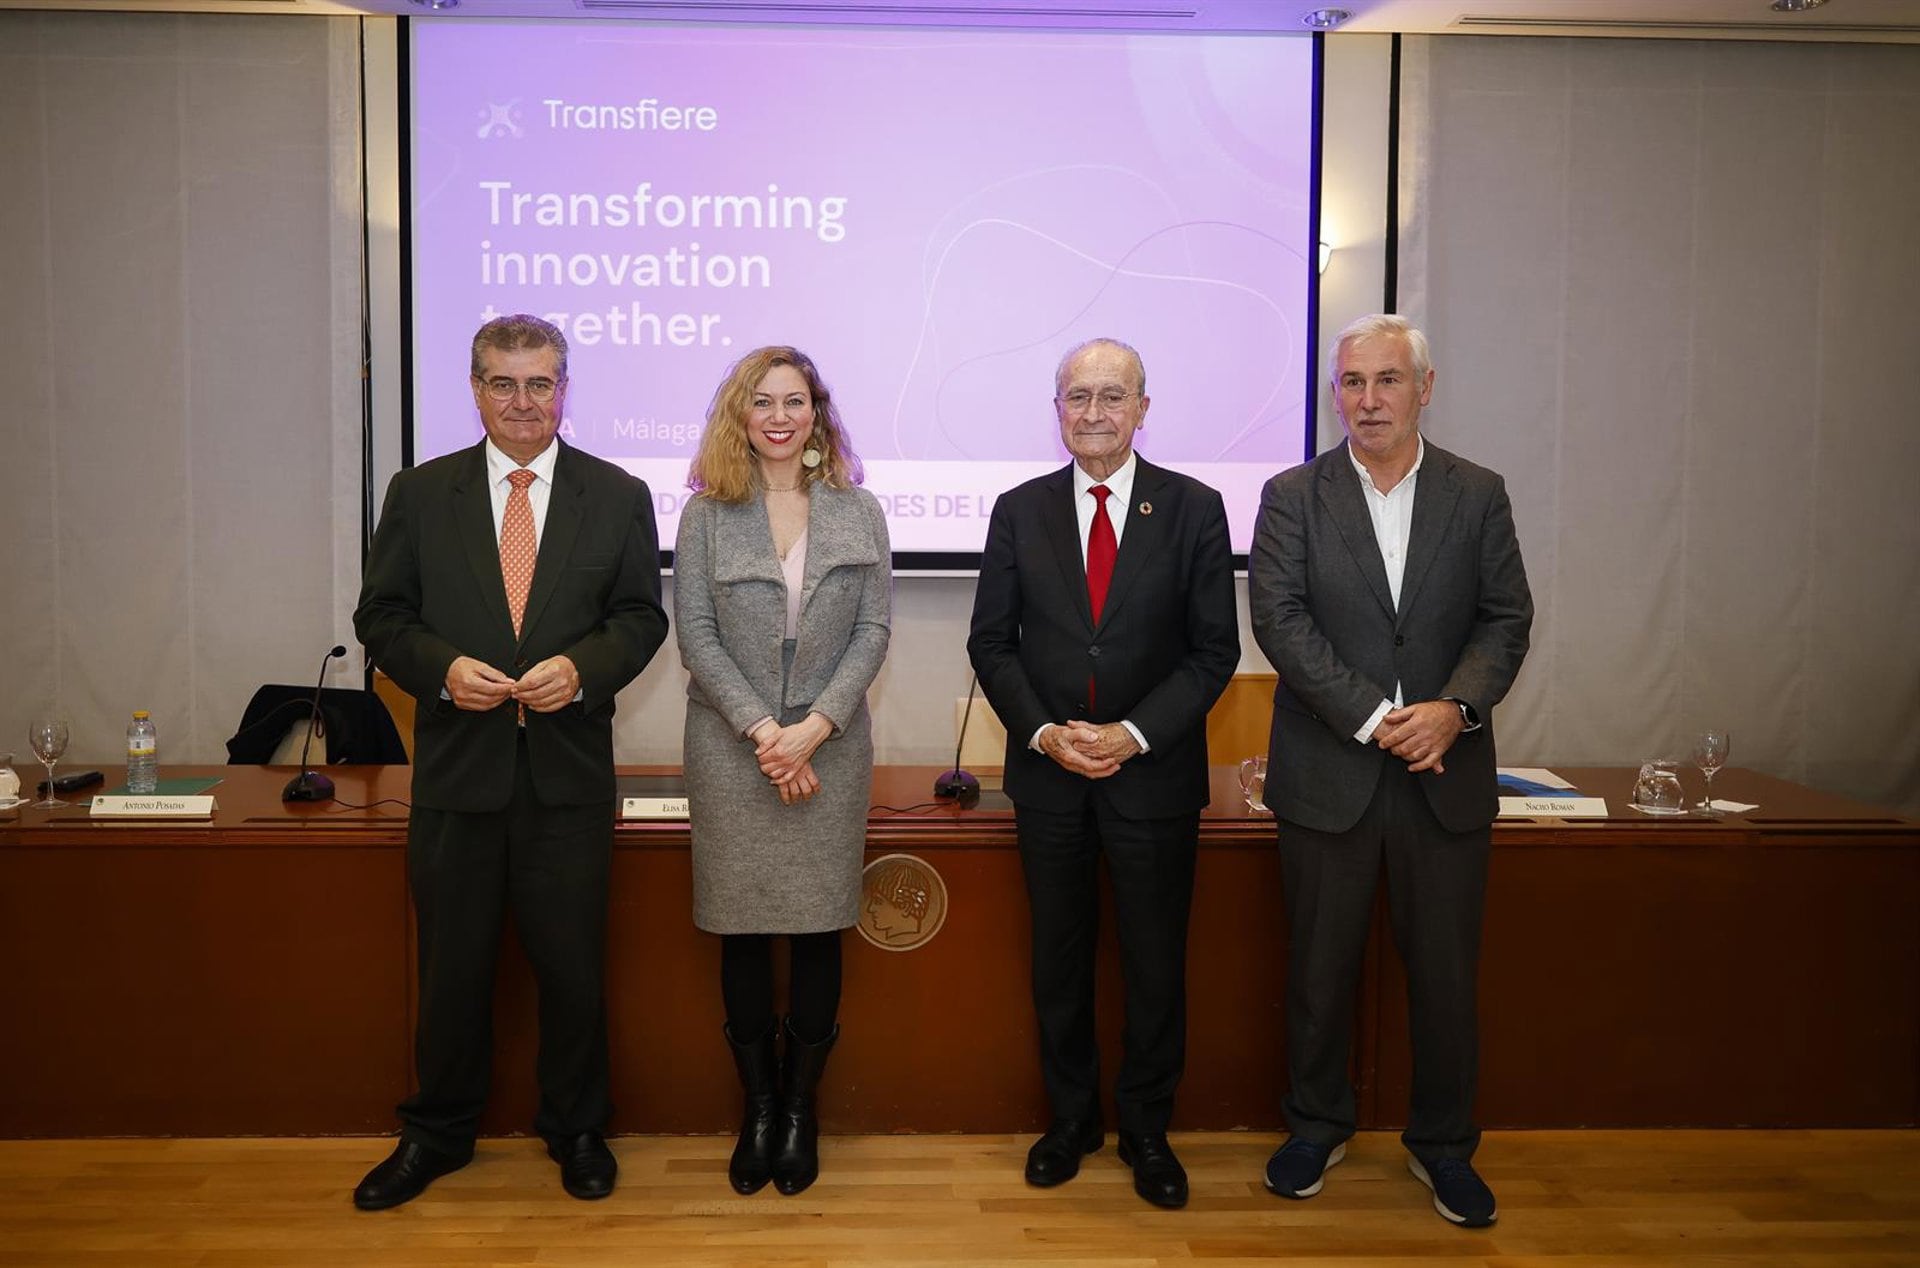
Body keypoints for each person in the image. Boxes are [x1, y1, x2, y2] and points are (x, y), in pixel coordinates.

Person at [351, 314, 668, 1209]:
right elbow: (381, 620)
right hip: (458, 778)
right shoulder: (420, 493)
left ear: (564, 389)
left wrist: (584, 670)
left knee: (573, 972)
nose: (522, 402)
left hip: (567, 777)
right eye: (503, 383)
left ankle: (577, 1130)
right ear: (475, 388)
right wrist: (443, 673)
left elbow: (640, 618)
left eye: (540, 384)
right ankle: (438, 1134)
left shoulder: (617, 493)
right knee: (451, 974)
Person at [1247, 313, 1532, 1228]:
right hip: (1331, 772)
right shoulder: (1293, 493)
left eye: (1387, 381)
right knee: (1318, 971)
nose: (1368, 400)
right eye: (1352, 383)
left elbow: (1506, 619)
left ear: (1425, 387)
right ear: (1336, 392)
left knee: (1447, 977)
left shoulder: (1477, 492)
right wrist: (1376, 717)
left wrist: (1453, 709)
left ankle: (1445, 1147)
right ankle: (1315, 1126)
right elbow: (1281, 621)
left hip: (1447, 775)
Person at [966, 338, 1239, 1209]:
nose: (1093, 411)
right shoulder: (1020, 510)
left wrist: (1130, 733)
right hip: (1048, 779)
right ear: (1057, 411)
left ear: (1143, 409)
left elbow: (1212, 652)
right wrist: (1045, 733)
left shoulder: (1194, 509)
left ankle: (1149, 1131)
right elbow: (990, 641)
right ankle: (1072, 1120)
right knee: (1061, 959)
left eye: (1111, 396)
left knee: (1155, 964)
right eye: (1076, 396)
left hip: (1151, 780)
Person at [674, 346, 892, 1197]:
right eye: (761, 401)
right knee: (738, 925)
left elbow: (873, 631)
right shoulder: (706, 516)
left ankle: (801, 1111)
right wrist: (769, 733)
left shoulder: (858, 510)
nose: (778, 416)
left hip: (830, 747)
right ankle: (757, 1108)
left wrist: (814, 730)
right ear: (740, 412)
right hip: (733, 746)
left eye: (794, 401)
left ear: (817, 413)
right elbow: (696, 634)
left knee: (814, 927)